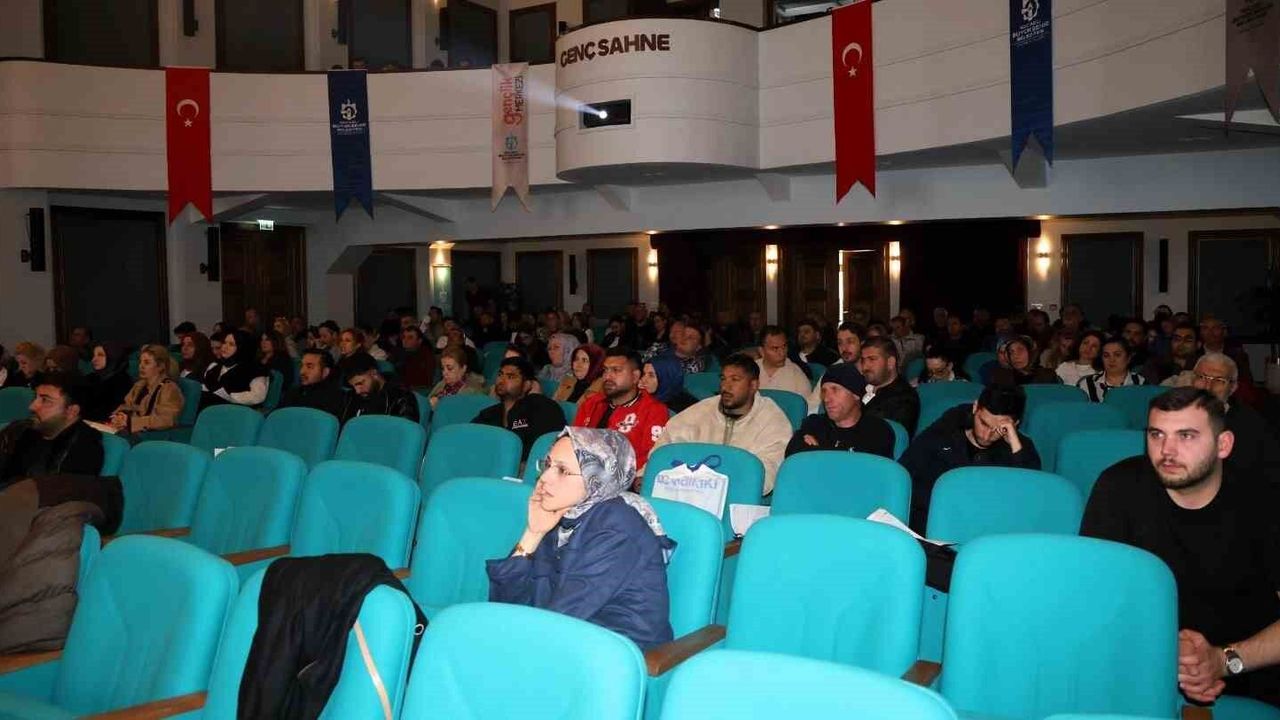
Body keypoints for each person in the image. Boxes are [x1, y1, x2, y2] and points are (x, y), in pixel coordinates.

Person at [1081, 388, 1280, 708]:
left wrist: (1223, 660)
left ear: (1223, 444)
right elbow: (1096, 598)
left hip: (1247, 668)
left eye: (1186, 436)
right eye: (1156, 434)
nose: (1166, 450)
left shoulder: (1264, 499)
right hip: (1142, 664)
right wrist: (1163, 651)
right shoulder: (1118, 487)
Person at [487, 428, 674, 649]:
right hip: (566, 641)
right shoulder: (564, 514)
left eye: (562, 470)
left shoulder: (618, 528)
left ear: (597, 478)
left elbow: (564, 618)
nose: (544, 478)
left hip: (614, 654)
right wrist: (533, 533)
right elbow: (505, 605)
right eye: (547, 465)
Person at [899, 384, 1041, 532]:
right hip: (932, 525)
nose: (986, 435)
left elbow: (1031, 501)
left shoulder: (1021, 449)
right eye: (983, 423)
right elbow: (906, 470)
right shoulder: (945, 431)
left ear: (1015, 424)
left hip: (990, 532)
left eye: (999, 430)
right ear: (975, 408)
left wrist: (1015, 448)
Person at [653, 353, 792, 494]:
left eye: (735, 380)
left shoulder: (772, 419)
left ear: (753, 385)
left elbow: (767, 474)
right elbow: (665, 448)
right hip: (691, 489)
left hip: (740, 495)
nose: (726, 387)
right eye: (723, 379)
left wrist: (723, 485)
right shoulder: (702, 411)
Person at [1179, 353, 1280, 487]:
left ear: (1233, 388)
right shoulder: (1174, 416)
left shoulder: (1250, 425)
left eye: (1219, 380)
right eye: (1202, 377)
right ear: (1192, 380)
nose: (1208, 387)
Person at [0, 373, 107, 487]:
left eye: (45, 400)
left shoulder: (85, 448)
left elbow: (62, 494)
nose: (32, 406)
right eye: (35, 397)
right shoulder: (23, 429)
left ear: (72, 411)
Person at [573, 348, 668, 474]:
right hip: (580, 472)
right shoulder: (592, 403)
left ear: (635, 377)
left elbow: (651, 457)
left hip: (624, 478)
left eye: (616, 370)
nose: (607, 376)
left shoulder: (653, 410)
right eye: (605, 370)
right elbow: (574, 442)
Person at [786, 363, 894, 458]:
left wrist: (817, 451)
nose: (826, 399)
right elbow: (792, 454)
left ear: (856, 395)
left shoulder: (877, 431)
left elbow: (872, 470)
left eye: (835, 389)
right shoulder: (814, 424)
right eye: (824, 391)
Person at [475, 358, 566, 460]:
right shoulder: (489, 413)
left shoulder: (541, 407)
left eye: (510, 377)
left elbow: (545, 447)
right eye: (500, 375)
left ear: (527, 385)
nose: (501, 381)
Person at [109, 344, 183, 436]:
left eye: (147, 363)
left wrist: (131, 422)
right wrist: (120, 417)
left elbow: (166, 419)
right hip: (130, 431)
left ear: (160, 366)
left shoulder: (169, 388)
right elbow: (127, 405)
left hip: (151, 436)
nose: (141, 366)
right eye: (140, 362)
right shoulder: (139, 385)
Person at [859, 338, 921, 435]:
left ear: (890, 362)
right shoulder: (860, 388)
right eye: (863, 360)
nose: (865, 367)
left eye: (872, 359)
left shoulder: (903, 398)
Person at [200, 329, 271, 409]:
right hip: (210, 409)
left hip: (237, 411)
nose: (225, 347)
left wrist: (230, 397)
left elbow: (257, 396)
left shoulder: (255, 369)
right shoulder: (215, 366)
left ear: (242, 347)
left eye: (231, 344)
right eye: (224, 342)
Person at [339, 352, 418, 424]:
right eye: (353, 386)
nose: (357, 391)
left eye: (360, 383)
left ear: (374, 373)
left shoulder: (401, 397)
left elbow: (402, 430)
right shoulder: (351, 397)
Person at [807, 322, 864, 413]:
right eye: (840, 343)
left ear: (862, 344)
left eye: (850, 342)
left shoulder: (871, 371)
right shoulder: (833, 370)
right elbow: (812, 404)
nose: (844, 348)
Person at [277, 349, 348, 420]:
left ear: (325, 372)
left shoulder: (334, 397)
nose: (302, 371)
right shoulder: (293, 392)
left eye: (309, 367)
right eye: (301, 366)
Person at [1077, 337, 1146, 402]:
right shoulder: (1086, 383)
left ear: (1128, 358)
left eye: (1117, 355)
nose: (1111, 360)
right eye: (1106, 355)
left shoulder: (1141, 383)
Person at [80, 343, 132, 423]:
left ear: (112, 357)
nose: (94, 359)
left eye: (100, 355)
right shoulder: (91, 378)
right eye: (93, 355)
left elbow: (115, 411)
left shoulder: (122, 381)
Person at [756, 326, 811, 397]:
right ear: (762, 351)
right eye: (775, 348)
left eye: (784, 346)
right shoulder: (750, 371)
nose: (782, 353)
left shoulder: (796, 373)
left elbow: (806, 402)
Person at [990, 336, 1059, 386]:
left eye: (1020, 350)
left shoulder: (1047, 376)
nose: (1015, 356)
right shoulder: (1002, 377)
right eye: (1011, 352)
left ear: (1031, 352)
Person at [397, 326, 437, 391]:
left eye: (410, 338)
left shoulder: (425, 355)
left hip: (418, 390)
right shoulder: (398, 353)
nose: (405, 340)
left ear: (419, 341)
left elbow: (428, 381)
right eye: (403, 337)